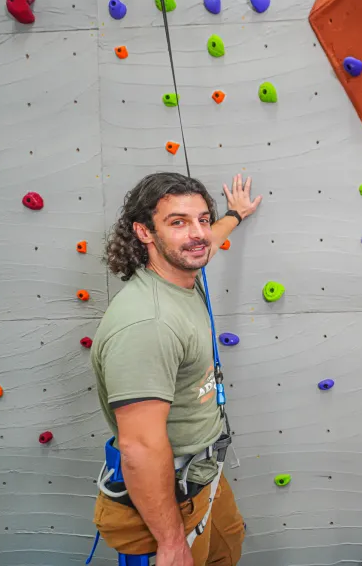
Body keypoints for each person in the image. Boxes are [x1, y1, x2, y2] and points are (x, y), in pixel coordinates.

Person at [90, 172, 261, 566]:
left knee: (226, 546)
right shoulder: (149, 323)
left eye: (202, 218)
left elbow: (206, 241)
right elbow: (140, 448)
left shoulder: (182, 271)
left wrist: (234, 214)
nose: (198, 233)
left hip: (204, 477)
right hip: (169, 497)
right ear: (144, 232)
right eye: (178, 222)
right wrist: (170, 542)